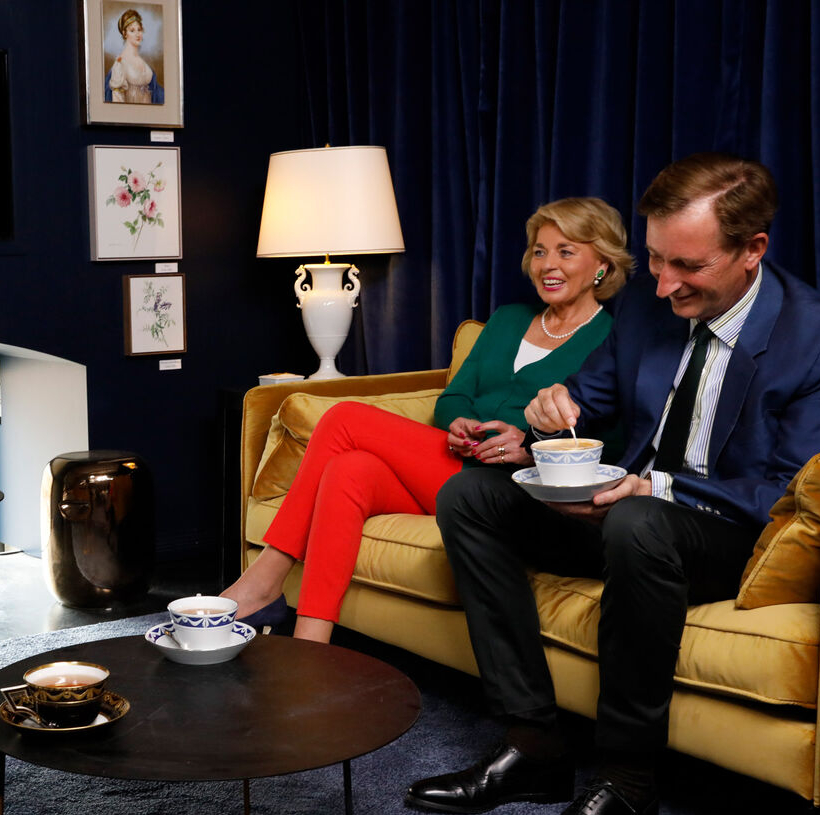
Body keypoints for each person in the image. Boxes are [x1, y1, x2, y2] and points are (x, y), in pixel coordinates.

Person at [409, 153, 820, 815]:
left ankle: (626, 786)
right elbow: (588, 402)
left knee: (640, 519)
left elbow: (791, 492)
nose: (662, 285)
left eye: (686, 266)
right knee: (470, 496)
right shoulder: (646, 307)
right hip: (626, 519)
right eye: (654, 260)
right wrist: (544, 415)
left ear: (754, 249)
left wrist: (653, 492)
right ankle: (533, 745)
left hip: (728, 538)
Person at [222, 197, 634, 644]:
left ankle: (264, 581)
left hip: (503, 489)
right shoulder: (508, 319)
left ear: (602, 265)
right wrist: (457, 421)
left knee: (344, 418)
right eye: (539, 251)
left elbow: (603, 443)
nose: (547, 264)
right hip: (447, 461)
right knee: (348, 471)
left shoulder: (609, 341)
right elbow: (455, 395)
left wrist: (528, 442)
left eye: (565, 251)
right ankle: (310, 646)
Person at [104, 8, 164, 104]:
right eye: (132, 30)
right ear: (124, 34)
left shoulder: (144, 63)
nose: (137, 34)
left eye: (139, 29)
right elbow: (118, 104)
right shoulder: (120, 63)